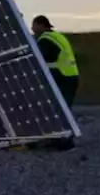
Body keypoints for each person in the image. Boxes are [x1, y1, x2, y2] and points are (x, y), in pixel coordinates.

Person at [32, 15, 78, 149]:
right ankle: (59, 138)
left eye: (34, 26)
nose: (32, 29)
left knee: (60, 110)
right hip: (70, 76)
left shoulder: (46, 39)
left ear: (41, 25)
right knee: (62, 109)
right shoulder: (58, 36)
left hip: (63, 78)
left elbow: (39, 56)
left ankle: (65, 141)